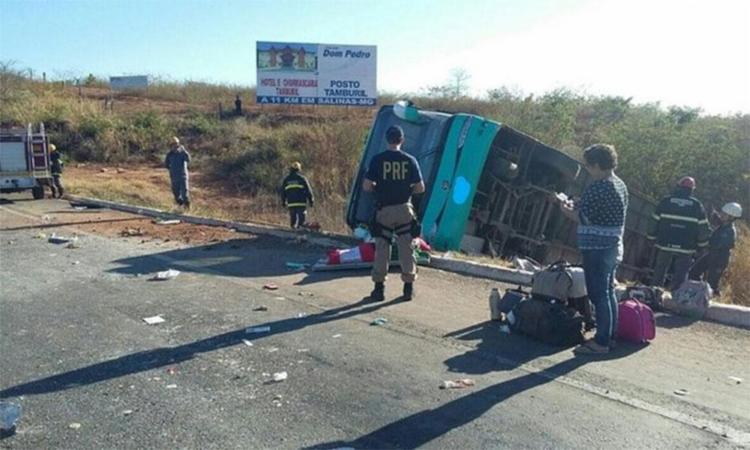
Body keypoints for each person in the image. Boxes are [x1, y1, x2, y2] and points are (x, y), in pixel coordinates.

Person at [560, 144, 628, 355]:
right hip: (613, 245)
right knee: (608, 293)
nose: (587, 168)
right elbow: (601, 212)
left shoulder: (598, 187)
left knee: (598, 295)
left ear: (597, 165)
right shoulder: (619, 185)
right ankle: (610, 335)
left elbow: (582, 218)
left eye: (588, 165)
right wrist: (582, 203)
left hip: (596, 247)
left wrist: (562, 207)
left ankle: (601, 342)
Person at [363, 125, 425, 302]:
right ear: (402, 140)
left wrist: (379, 188)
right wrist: (404, 190)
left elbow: (367, 186)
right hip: (404, 208)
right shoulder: (410, 160)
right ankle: (408, 288)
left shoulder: (377, 160)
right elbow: (420, 188)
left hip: (384, 210)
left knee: (382, 248)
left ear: (387, 139)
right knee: (406, 247)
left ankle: (379, 289)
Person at [647, 176, 710, 290]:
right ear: (692, 190)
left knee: (660, 269)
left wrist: (651, 238)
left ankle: (654, 293)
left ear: (679, 187)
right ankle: (676, 297)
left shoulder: (666, 201)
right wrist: (702, 245)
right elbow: (703, 228)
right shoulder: (696, 205)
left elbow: (653, 222)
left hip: (665, 243)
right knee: (681, 273)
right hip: (687, 246)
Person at [689, 202, 742, 295]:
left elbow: (720, 244)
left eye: (725, 214)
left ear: (731, 217)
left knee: (712, 282)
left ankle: (711, 299)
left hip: (720, 258)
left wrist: (709, 244)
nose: (722, 215)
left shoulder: (730, 231)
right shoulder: (722, 227)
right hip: (711, 255)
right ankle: (698, 293)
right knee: (694, 272)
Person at [280, 161, 314, 229]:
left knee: (293, 219)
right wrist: (311, 200)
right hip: (301, 203)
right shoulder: (302, 179)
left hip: (291, 203)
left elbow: (283, 192)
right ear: (299, 169)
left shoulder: (286, 180)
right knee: (301, 221)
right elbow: (308, 190)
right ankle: (300, 231)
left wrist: (283, 202)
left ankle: (292, 231)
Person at [164, 137, 191, 209]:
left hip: (183, 176)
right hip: (174, 177)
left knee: (185, 194)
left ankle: (187, 209)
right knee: (176, 194)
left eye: (176, 144)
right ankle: (180, 208)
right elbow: (166, 164)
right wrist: (172, 169)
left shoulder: (182, 153)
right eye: (172, 145)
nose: (174, 146)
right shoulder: (169, 155)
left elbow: (188, 159)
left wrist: (184, 150)